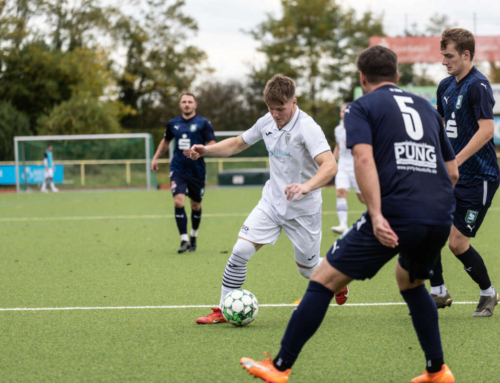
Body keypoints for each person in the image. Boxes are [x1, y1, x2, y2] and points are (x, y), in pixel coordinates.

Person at [240, 46, 459, 383]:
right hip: (440, 214)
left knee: (323, 278)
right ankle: (437, 370)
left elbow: (363, 160)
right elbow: (453, 172)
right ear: (397, 75)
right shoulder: (426, 108)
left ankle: (279, 367)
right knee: (410, 280)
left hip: (398, 213)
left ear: (361, 77)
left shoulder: (361, 106)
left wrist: (376, 213)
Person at [190, 74, 347, 325]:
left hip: (303, 211)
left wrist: (306, 186)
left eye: (280, 109)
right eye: (271, 109)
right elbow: (237, 144)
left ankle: (337, 277)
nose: (275, 114)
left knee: (307, 270)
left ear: (294, 101)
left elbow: (330, 166)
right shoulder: (267, 121)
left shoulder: (308, 128)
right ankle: (223, 308)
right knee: (240, 250)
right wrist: (207, 150)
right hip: (272, 203)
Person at [429, 28, 499, 317]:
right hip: (451, 174)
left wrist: (454, 161)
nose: (444, 61)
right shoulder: (445, 86)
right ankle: (438, 292)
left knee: (457, 243)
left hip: (478, 177)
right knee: (428, 229)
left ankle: (488, 294)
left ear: (466, 54)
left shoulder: (478, 85)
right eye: (443, 55)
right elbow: (440, 128)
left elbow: (487, 130)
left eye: (449, 56)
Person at [151, 93, 216, 253]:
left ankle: (193, 235)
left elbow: (212, 143)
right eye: (184, 102)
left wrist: (202, 151)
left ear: (195, 105)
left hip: (197, 171)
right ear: (180, 105)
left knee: (195, 205)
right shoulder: (173, 123)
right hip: (178, 169)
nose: (187, 104)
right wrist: (155, 157)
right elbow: (165, 141)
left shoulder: (203, 123)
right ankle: (184, 239)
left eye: (190, 102)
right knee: (178, 201)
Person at [331, 102, 365, 234]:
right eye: (341, 111)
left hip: (356, 167)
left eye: (346, 111)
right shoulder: (338, 129)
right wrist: (332, 161)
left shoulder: (359, 127)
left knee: (363, 198)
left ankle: (379, 217)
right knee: (340, 192)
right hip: (342, 167)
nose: (343, 114)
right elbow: (338, 146)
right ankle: (343, 225)